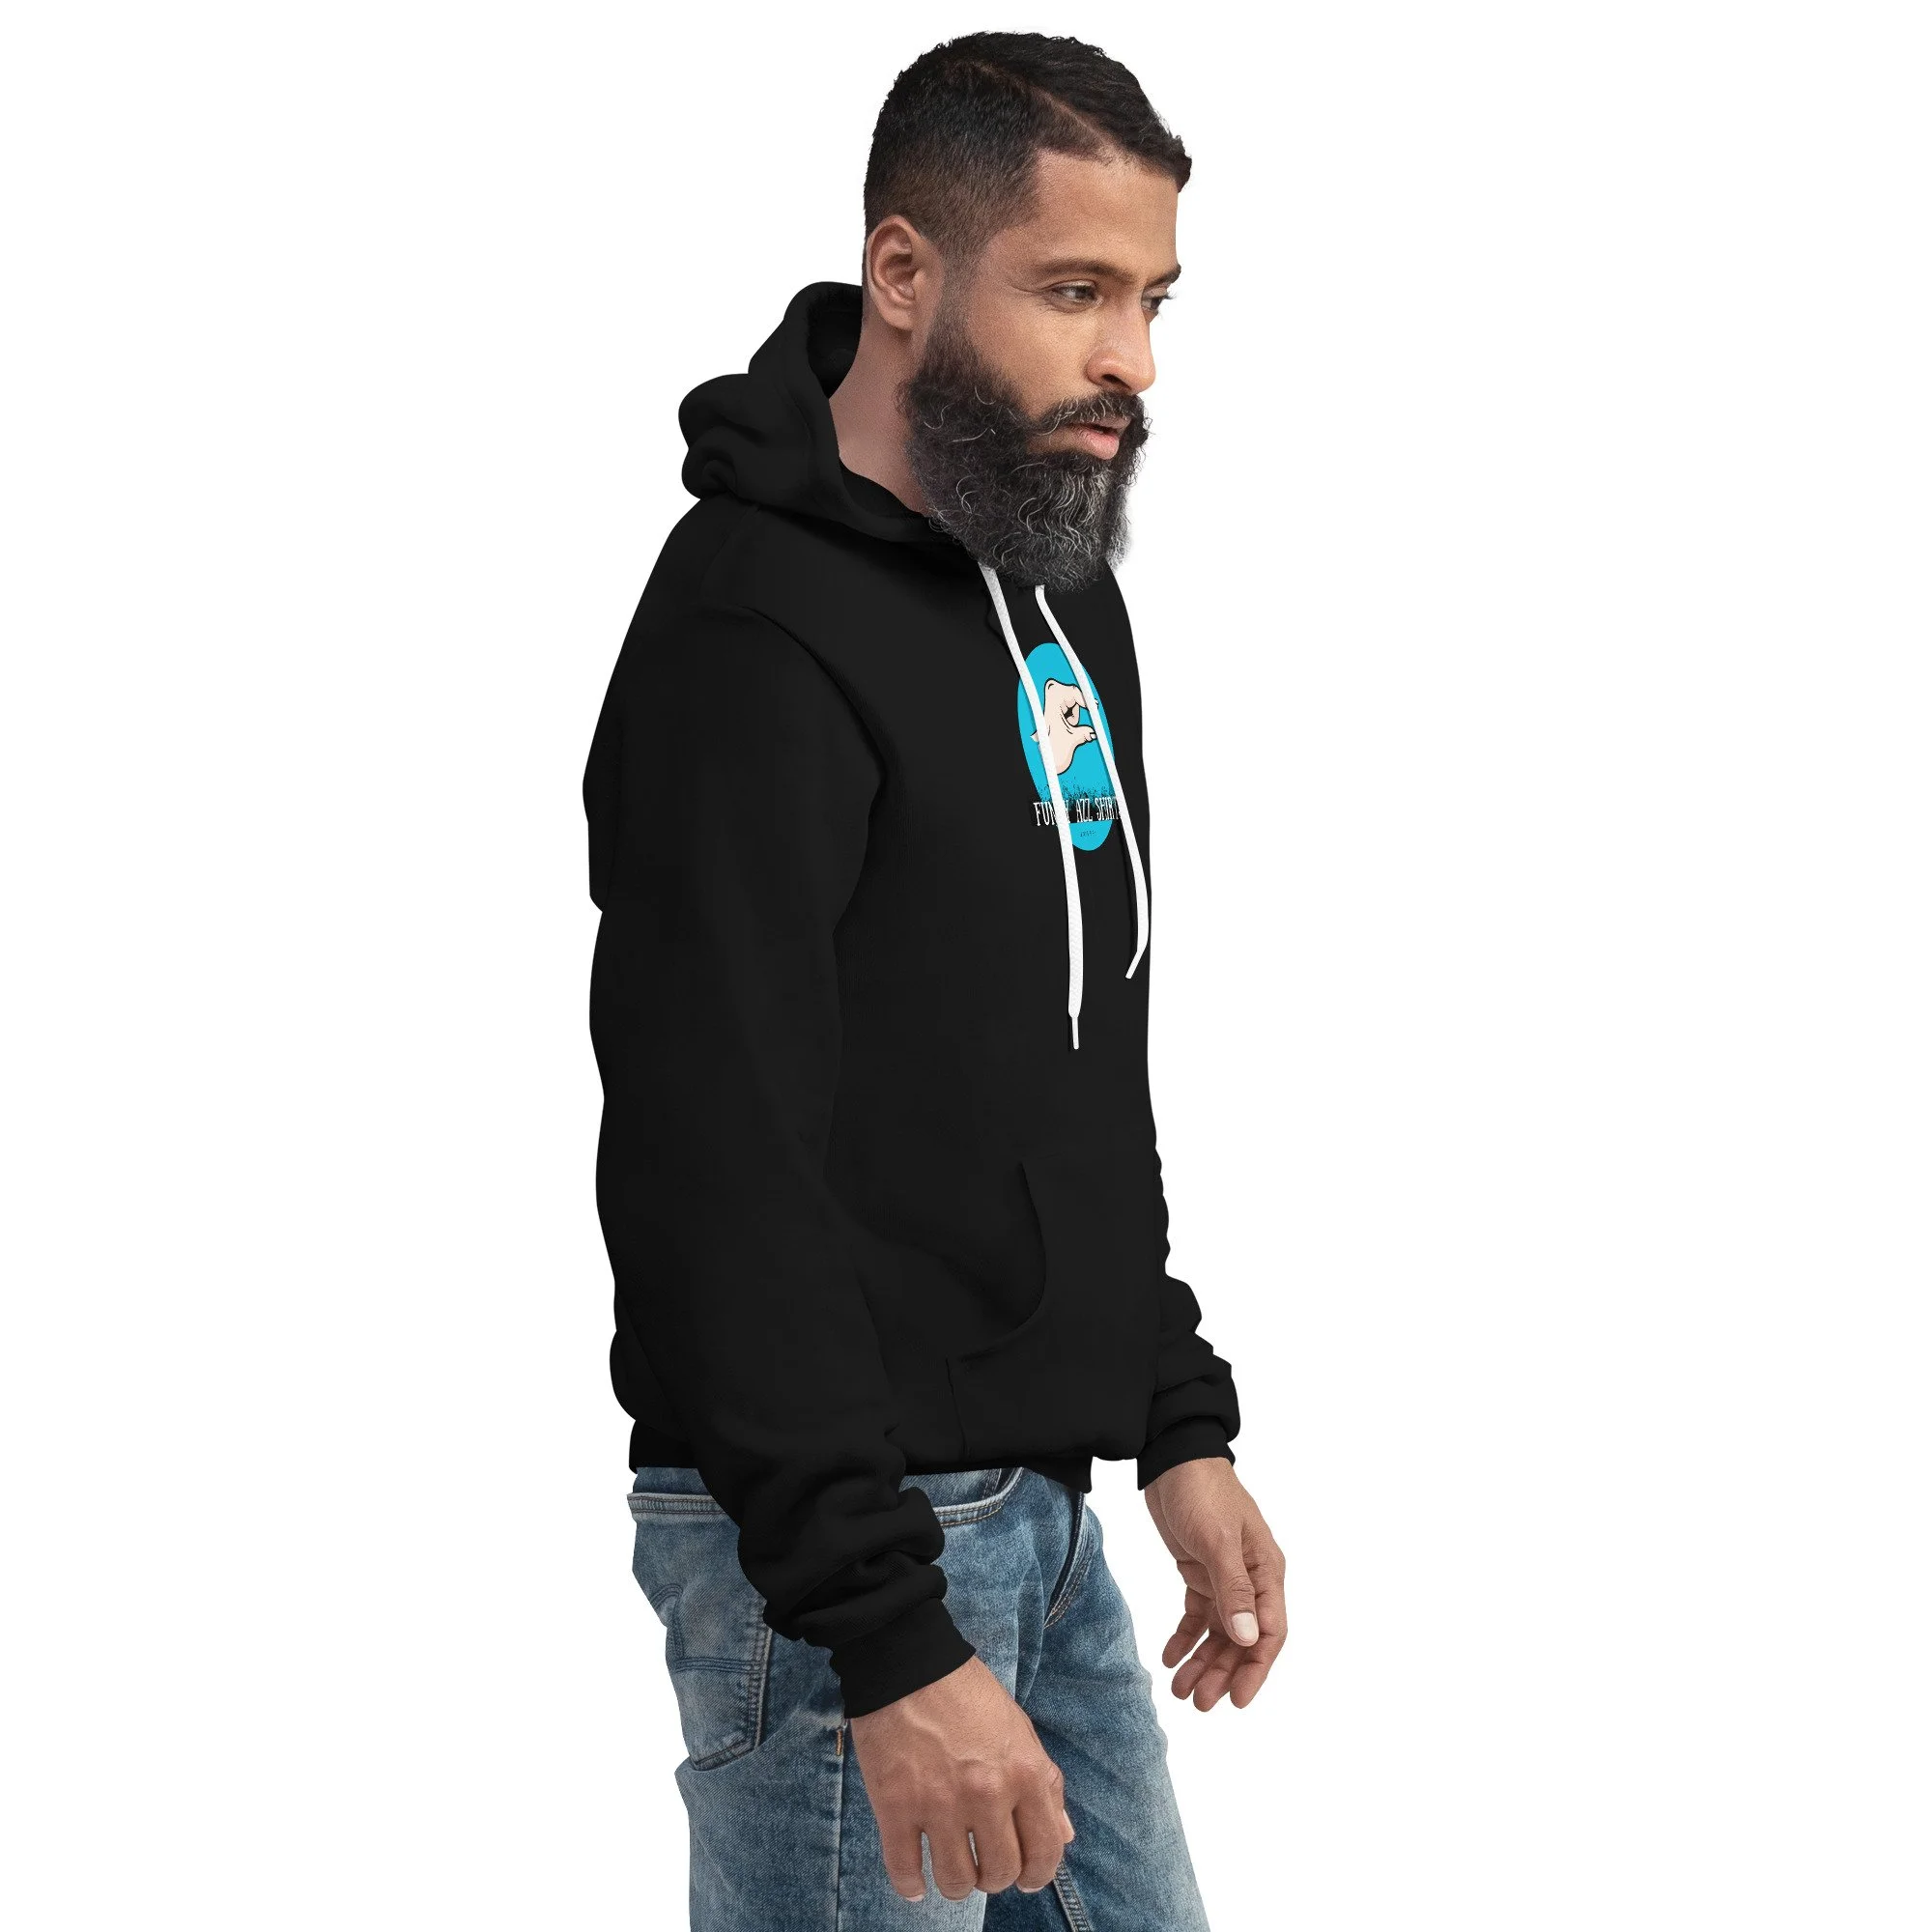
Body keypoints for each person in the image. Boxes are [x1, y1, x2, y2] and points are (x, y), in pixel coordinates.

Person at [583, 32, 1288, 1928]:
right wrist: (884, 1629)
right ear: (904, 272)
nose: (1132, 359)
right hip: (840, 1563)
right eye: (1074, 292)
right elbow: (705, 1169)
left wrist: (1172, 1412)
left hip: (1035, 1513)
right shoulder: (748, 627)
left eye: (1151, 300)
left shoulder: (1056, 589)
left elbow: (1069, 1059)